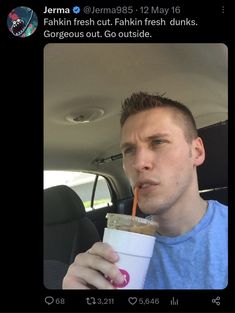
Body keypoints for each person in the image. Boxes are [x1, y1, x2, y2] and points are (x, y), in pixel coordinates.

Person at [62, 91, 228, 289]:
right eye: (129, 150)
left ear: (197, 152)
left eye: (158, 142)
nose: (139, 163)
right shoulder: (112, 253)